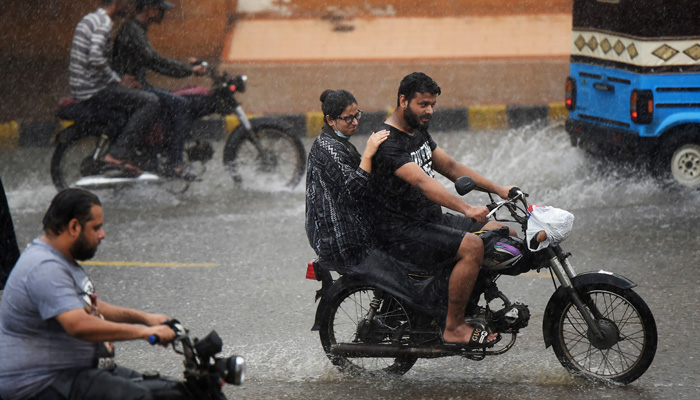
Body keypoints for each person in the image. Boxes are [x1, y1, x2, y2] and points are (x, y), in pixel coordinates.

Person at [369, 72, 517, 349]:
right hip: (401, 231)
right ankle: (453, 327)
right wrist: (466, 207)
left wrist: (498, 189)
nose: (430, 111)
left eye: (433, 104)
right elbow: (423, 183)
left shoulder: (416, 130)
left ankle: (463, 303)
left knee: (501, 232)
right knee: (473, 246)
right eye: (423, 104)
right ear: (403, 101)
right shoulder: (388, 142)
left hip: (428, 220)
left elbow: (450, 167)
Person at [0, 189, 177, 400]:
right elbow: (79, 324)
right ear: (74, 227)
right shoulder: (44, 267)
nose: (103, 234)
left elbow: (86, 304)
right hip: (40, 382)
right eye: (96, 227)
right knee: (138, 397)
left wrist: (145, 318)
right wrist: (142, 333)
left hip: (74, 371)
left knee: (169, 392)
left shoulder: (58, 257)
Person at [111, 0, 207, 180]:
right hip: (134, 88)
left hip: (138, 85)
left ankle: (157, 154)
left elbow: (154, 60)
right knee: (181, 104)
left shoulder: (136, 29)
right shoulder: (133, 30)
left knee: (171, 99)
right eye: (160, 9)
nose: (163, 13)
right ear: (149, 9)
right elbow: (154, 61)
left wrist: (183, 66)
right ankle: (175, 164)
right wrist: (189, 70)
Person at [69, 0, 161, 175]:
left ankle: (125, 153)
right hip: (94, 89)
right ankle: (117, 155)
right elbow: (95, 58)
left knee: (132, 101)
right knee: (151, 101)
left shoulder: (90, 18)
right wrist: (117, 80)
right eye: (127, 3)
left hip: (83, 87)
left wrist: (119, 78)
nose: (128, 7)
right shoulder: (104, 22)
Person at [305, 89, 390, 269]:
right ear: (330, 120)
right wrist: (368, 154)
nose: (355, 122)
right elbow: (354, 191)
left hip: (347, 228)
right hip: (339, 239)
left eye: (357, 115)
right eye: (348, 118)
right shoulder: (328, 149)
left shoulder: (337, 142)